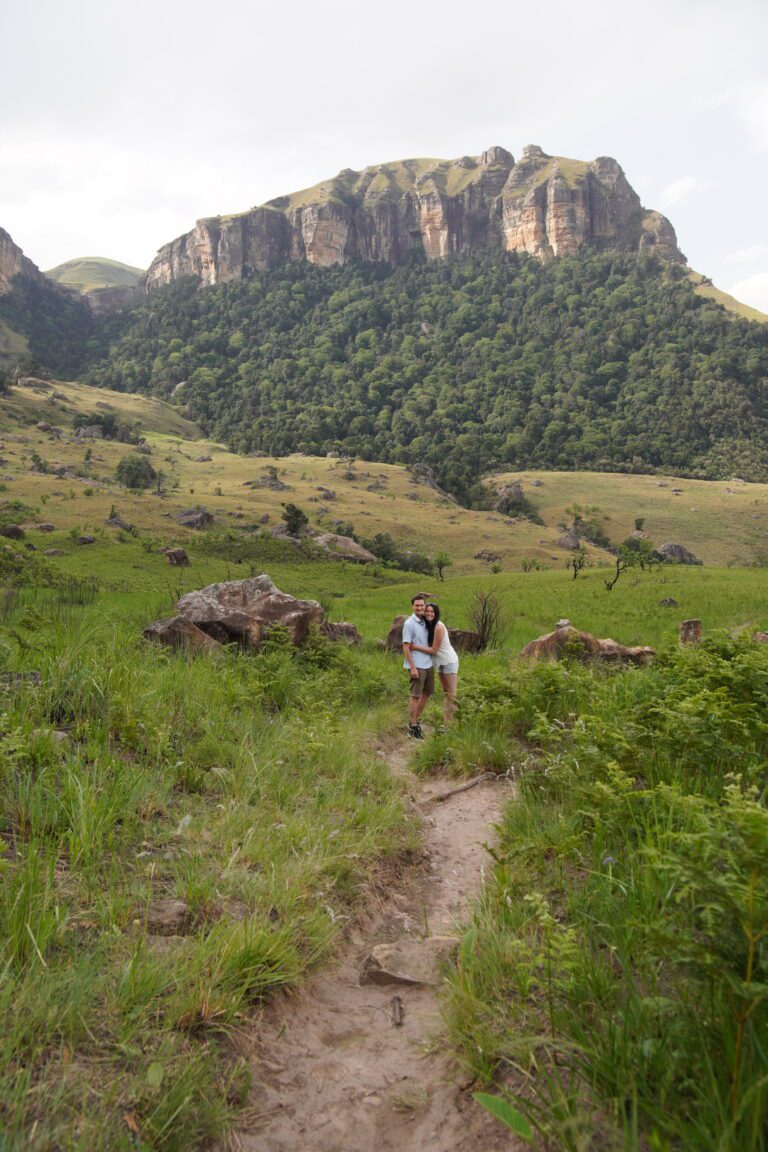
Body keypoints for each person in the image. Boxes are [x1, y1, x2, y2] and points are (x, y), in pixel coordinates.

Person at [409, 602, 459, 725]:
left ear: (436, 613)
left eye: (432, 612)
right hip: (439, 663)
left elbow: (434, 650)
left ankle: (452, 724)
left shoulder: (438, 627)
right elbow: (414, 618)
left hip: (449, 661)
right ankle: (446, 722)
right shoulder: (427, 625)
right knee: (446, 692)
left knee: (451, 694)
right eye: (427, 611)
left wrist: (415, 647)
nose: (429, 613)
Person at [402, 594, 434, 738]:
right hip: (417, 665)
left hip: (428, 663)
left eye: (422, 605)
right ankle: (413, 726)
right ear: (412, 606)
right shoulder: (409, 623)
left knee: (427, 692)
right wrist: (413, 667)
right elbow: (406, 647)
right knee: (415, 695)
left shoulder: (425, 621)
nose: (420, 608)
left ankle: (415, 720)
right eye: (417, 605)